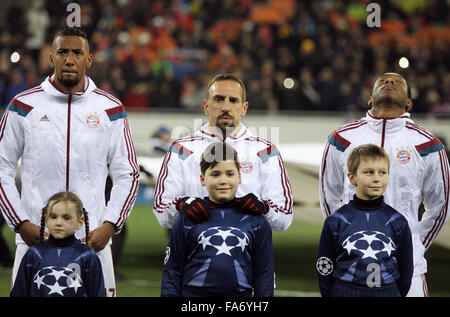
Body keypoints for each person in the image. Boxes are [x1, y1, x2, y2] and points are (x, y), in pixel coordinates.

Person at [0, 27, 140, 297]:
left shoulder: (110, 109)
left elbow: (128, 174)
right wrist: (20, 223)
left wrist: (109, 225)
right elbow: (2, 168)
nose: (69, 58)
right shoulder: (23, 106)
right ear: (51, 57)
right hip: (34, 242)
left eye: (77, 52)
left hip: (92, 245)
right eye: (62, 51)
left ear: (89, 59)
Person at [319, 72, 450, 296]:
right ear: (369, 98)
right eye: (382, 81)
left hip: (409, 269)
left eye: (398, 82)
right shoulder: (341, 138)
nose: (389, 82)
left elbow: (441, 206)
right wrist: (344, 238)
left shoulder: (429, 144)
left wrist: (414, 247)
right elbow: (329, 196)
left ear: (409, 101)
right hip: (352, 265)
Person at [154, 73, 293, 232]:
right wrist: (181, 206)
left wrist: (264, 209)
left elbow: (284, 219)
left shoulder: (265, 152)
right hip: (193, 253)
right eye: (219, 99)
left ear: (244, 108)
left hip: (246, 254)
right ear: (206, 106)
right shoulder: (181, 150)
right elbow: (162, 211)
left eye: (233, 100)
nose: (226, 107)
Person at [161, 142, 274, 296]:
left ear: (239, 177)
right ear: (202, 179)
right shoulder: (187, 218)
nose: (223, 181)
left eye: (230, 174)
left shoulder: (256, 220)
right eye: (215, 174)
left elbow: (265, 274)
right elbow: (172, 271)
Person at [317, 144, 413, 297]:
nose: (377, 179)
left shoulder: (398, 221)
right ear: (352, 178)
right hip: (345, 292)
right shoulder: (336, 221)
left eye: (382, 173)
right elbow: (325, 265)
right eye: (369, 172)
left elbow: (406, 270)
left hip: (387, 292)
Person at [10, 192, 105, 297]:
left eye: (66, 218)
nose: (58, 223)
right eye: (53, 217)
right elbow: (19, 292)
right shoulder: (34, 254)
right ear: (46, 220)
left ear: (80, 222)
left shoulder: (87, 256)